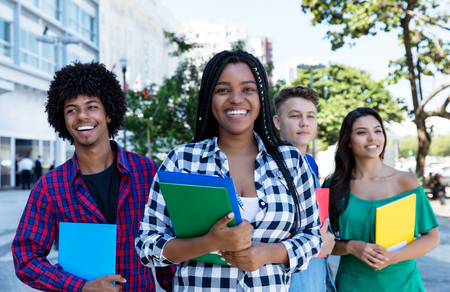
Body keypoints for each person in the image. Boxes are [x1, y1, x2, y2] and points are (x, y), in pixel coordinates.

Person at [135, 50, 322, 291]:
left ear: (261, 97)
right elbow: (148, 245)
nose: (236, 98)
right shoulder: (182, 161)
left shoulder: (292, 161)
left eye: (247, 89)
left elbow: (312, 236)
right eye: (223, 90)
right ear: (209, 98)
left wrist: (269, 253)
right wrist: (207, 242)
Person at [12, 62, 175, 292]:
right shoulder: (50, 187)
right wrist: (81, 286)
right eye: (71, 110)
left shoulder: (146, 172)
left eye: (91, 107)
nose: (82, 116)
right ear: (63, 120)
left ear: (109, 113)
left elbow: (167, 243)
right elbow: (26, 258)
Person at [325, 107, 440, 291]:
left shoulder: (406, 182)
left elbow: (432, 238)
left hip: (403, 285)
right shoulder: (334, 186)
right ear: (348, 141)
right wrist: (350, 247)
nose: (372, 138)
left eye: (378, 131)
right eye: (362, 132)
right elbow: (322, 244)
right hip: (352, 285)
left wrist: (393, 257)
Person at [273, 85, 336, 292]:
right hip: (288, 279)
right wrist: (319, 245)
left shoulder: (310, 163)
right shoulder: (269, 166)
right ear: (277, 122)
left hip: (316, 275)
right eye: (294, 116)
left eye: (311, 116)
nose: (304, 123)